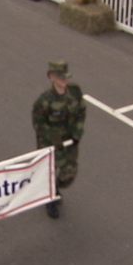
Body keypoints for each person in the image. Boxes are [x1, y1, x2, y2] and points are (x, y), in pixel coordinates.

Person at [32, 61, 86, 219]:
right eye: (61, 77)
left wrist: (78, 132)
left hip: (70, 142)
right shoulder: (44, 101)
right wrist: (54, 138)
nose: (65, 80)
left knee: (69, 175)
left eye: (66, 77)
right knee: (49, 172)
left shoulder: (75, 91)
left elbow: (81, 111)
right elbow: (38, 124)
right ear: (51, 77)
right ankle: (50, 198)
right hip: (50, 143)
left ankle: (55, 187)